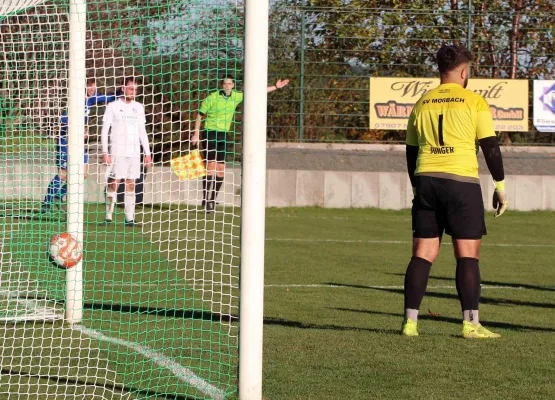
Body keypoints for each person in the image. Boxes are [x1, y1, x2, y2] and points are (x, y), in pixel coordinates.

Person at [401, 44, 508, 339]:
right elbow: (490, 146)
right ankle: (471, 323)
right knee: (467, 255)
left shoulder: (421, 102)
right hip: (461, 183)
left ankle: (410, 323)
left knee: (422, 254)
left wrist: (417, 185)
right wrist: (499, 185)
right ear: (464, 71)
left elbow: (410, 152)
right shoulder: (473, 101)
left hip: (425, 180)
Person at [192, 75, 290, 213]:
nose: (227, 86)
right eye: (225, 84)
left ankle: (212, 200)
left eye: (230, 84)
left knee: (220, 168)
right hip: (210, 132)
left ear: (233, 85)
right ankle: (205, 198)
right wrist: (196, 133)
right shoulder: (212, 97)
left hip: (223, 134)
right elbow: (199, 115)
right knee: (210, 165)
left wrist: (275, 87)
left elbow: (256, 92)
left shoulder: (236, 96)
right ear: (221, 85)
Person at [41, 78, 119, 213]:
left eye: (94, 87)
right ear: (84, 87)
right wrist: (77, 129)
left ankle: (58, 196)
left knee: (82, 173)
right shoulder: (77, 100)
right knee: (64, 173)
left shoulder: (91, 99)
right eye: (90, 87)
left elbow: (107, 97)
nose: (92, 89)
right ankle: (46, 203)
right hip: (65, 139)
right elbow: (64, 120)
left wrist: (120, 92)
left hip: (77, 140)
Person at [101, 77, 152, 226]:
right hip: (117, 150)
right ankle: (108, 216)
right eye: (131, 88)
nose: (133, 92)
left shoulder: (139, 107)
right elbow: (105, 130)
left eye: (136, 89)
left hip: (134, 152)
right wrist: (105, 152)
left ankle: (129, 218)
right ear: (123, 88)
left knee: (131, 183)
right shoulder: (113, 106)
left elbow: (142, 132)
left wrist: (147, 153)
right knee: (114, 183)